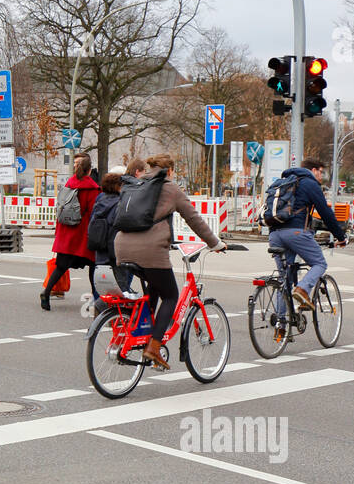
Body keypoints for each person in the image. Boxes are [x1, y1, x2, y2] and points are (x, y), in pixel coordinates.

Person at [114, 154, 225, 369]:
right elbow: (194, 219)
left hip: (122, 245)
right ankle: (153, 348)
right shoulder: (170, 188)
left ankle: (146, 334)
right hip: (150, 250)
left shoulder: (136, 183)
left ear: (149, 168)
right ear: (170, 170)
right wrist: (215, 243)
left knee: (153, 290)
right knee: (171, 295)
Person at [265, 157, 347, 320]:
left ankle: (281, 324)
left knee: (285, 279)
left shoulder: (282, 182)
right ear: (313, 170)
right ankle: (302, 289)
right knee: (319, 263)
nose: (321, 176)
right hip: (295, 234)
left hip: (274, 234)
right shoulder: (310, 184)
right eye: (321, 172)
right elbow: (326, 213)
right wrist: (340, 236)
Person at [41, 153, 101, 310]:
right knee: (93, 265)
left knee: (61, 266)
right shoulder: (92, 188)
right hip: (82, 233)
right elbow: (94, 212)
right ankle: (97, 298)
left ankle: (46, 293)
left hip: (66, 231)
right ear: (90, 170)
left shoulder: (69, 184)